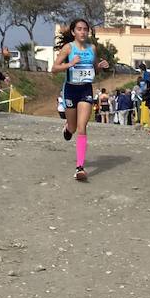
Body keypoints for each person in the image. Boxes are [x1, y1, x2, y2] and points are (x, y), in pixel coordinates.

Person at [52, 17, 109, 181]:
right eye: (79, 29)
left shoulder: (92, 48)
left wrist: (100, 67)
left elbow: (94, 70)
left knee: (82, 126)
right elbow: (54, 69)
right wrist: (69, 65)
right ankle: (67, 129)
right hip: (70, 90)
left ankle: (80, 167)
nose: (83, 32)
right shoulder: (68, 48)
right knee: (73, 127)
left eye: (85, 29)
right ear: (73, 32)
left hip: (85, 90)